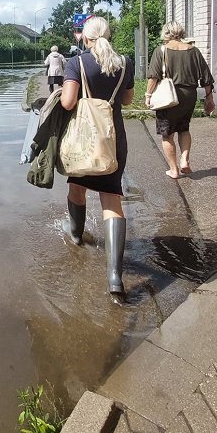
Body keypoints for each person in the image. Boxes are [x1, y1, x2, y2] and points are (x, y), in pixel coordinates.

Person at [60, 16, 135, 296]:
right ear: (109, 35)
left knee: (77, 188)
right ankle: (115, 277)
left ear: (85, 37)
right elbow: (127, 100)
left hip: (85, 140)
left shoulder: (76, 62)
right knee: (111, 200)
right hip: (114, 141)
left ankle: (76, 234)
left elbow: (68, 102)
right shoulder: (125, 62)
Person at [145, 21, 215, 180]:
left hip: (168, 97)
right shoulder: (194, 51)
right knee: (184, 128)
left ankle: (174, 169)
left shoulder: (161, 51)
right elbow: (206, 77)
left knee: (167, 133)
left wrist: (148, 96)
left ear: (166, 33)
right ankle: (184, 159)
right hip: (189, 95)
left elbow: (153, 77)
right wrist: (209, 97)